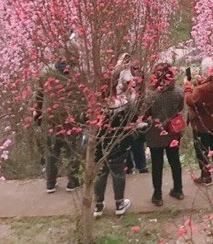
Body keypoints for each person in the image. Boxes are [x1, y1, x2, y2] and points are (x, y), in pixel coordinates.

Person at [91, 63, 139, 218]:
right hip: (118, 143)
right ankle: (119, 203)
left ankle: (98, 205)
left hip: (99, 144)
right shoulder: (122, 105)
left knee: (101, 172)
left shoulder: (95, 107)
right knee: (118, 171)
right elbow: (132, 119)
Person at [36, 48, 85, 193]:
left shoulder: (45, 72)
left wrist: (37, 113)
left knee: (52, 150)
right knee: (71, 150)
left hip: (51, 116)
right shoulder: (77, 74)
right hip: (71, 116)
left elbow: (39, 95)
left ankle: (50, 182)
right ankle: (73, 181)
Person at [143, 62, 185, 206]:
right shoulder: (178, 92)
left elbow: (145, 114)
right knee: (175, 161)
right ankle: (178, 190)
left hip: (155, 132)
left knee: (157, 164)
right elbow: (180, 108)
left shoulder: (150, 96)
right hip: (173, 132)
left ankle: (157, 195)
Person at [184, 57, 213, 185]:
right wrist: (202, 82)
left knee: (201, 149)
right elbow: (210, 90)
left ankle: (205, 175)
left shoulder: (202, 90)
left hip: (201, 123)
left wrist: (188, 88)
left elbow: (190, 101)